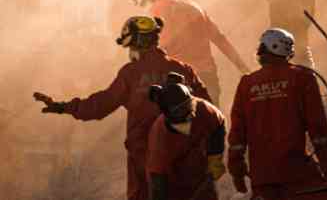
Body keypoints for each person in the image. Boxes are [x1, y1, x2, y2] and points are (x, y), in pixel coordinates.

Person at [34, 16, 210, 200]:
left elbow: (99, 106)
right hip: (185, 158)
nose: (130, 51)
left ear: (138, 43)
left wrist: (62, 107)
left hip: (145, 160)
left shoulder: (131, 73)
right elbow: (208, 110)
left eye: (130, 45)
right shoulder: (184, 70)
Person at [228, 28, 327, 199]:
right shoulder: (303, 78)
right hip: (298, 172)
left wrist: (237, 171)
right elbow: (317, 126)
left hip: (263, 177)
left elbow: (237, 133)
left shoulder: (247, 83)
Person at [132, 0, 252, 102]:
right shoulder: (194, 6)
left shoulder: (157, 10)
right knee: (211, 119)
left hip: (178, 80)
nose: (149, 3)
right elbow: (219, 39)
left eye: (147, 0)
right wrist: (242, 67)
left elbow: (159, 48)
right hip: (207, 77)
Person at [146, 73, 227, 200]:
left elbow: (218, 124)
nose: (189, 112)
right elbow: (158, 179)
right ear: (167, 113)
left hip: (202, 175)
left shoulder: (203, 109)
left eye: (189, 105)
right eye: (180, 110)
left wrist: (215, 157)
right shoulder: (159, 136)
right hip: (174, 185)